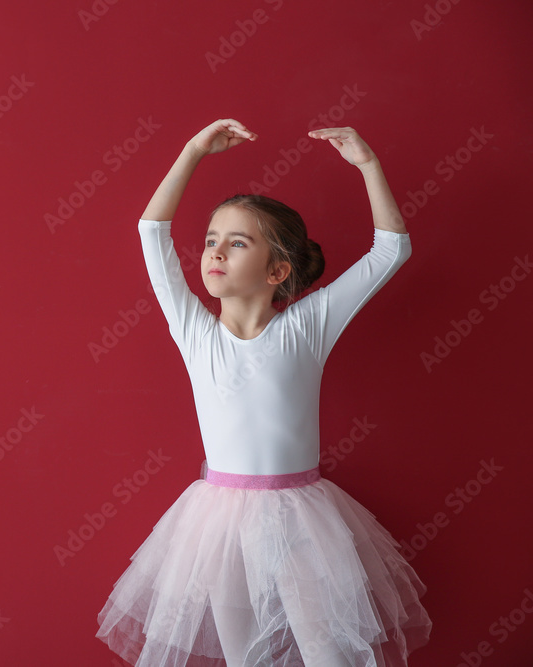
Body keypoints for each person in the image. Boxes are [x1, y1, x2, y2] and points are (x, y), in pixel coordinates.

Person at [95, 119, 432, 666]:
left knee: (330, 655)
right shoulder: (195, 331)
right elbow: (151, 232)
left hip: (301, 519)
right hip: (218, 525)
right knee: (243, 657)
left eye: (237, 242)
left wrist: (369, 166)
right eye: (210, 241)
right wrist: (192, 151)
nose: (215, 252)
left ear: (277, 269)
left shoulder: (307, 326)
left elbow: (390, 251)